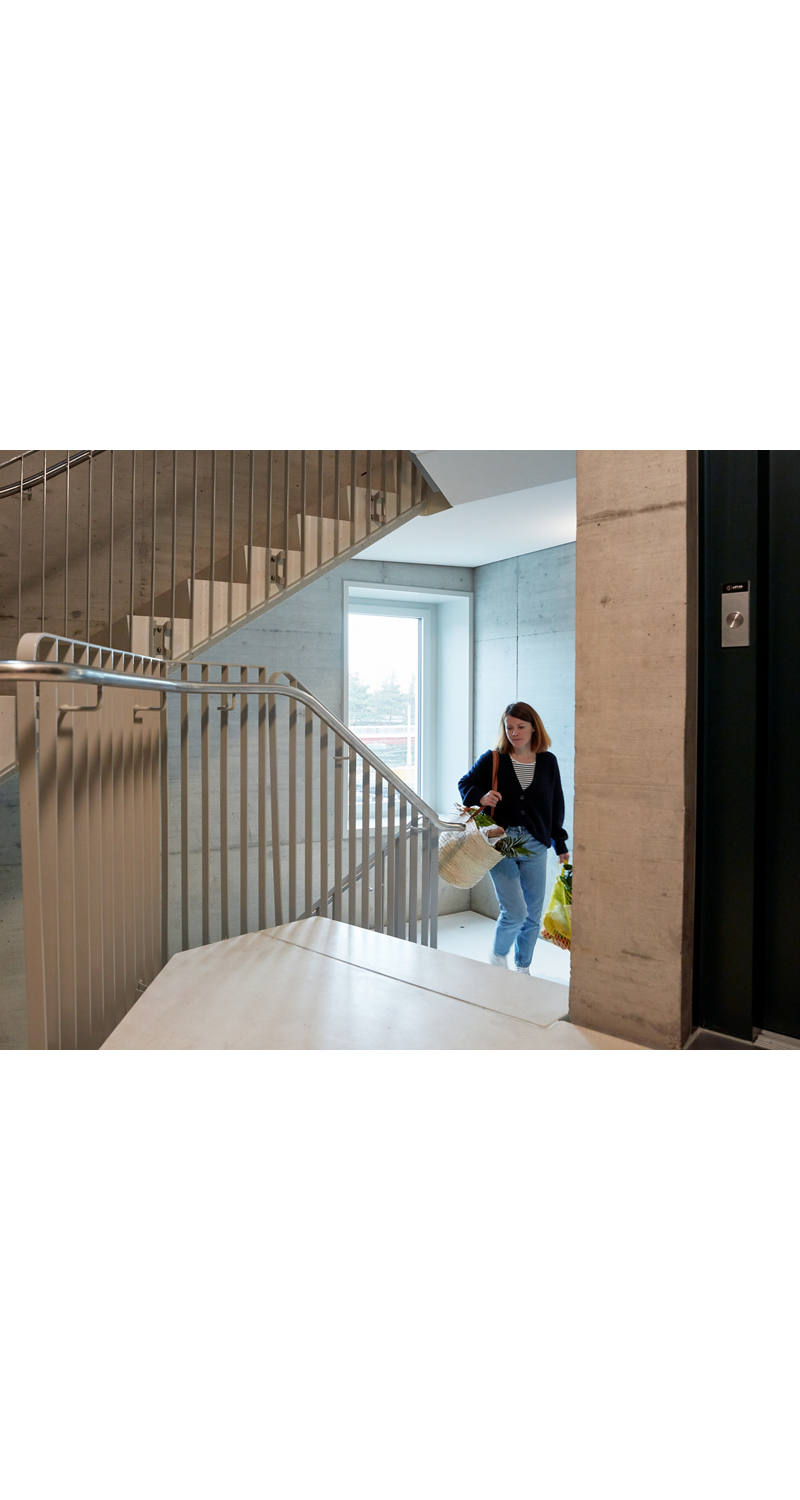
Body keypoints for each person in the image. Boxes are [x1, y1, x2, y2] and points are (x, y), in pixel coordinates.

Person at [458, 702, 570, 973]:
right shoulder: (493, 758)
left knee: (532, 915)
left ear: (534, 728)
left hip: (535, 842)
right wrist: (480, 796)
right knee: (515, 912)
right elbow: (465, 784)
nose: (514, 732)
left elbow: (556, 804)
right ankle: (498, 958)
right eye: (509, 727)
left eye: (521, 726)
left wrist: (560, 843)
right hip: (501, 841)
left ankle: (523, 967)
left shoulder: (548, 761)